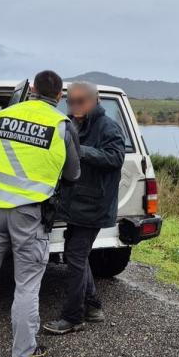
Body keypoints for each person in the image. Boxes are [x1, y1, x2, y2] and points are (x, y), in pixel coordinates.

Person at [0, 70, 81, 357]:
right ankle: (24, 353)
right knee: (26, 285)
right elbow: (74, 174)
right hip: (30, 215)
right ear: (59, 95)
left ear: (33, 89)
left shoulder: (1, 116)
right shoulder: (62, 126)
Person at [42, 81, 125, 335]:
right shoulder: (70, 123)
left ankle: (73, 317)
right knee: (75, 254)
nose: (75, 106)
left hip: (94, 205)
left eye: (80, 101)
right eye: (71, 101)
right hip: (75, 202)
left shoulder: (108, 126)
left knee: (75, 257)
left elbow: (115, 158)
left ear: (94, 100)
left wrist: (80, 151)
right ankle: (92, 306)